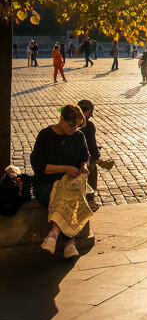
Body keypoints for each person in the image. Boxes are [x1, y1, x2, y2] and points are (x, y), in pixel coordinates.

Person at [31, 104, 91, 258]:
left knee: (71, 190)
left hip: (70, 181)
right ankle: (70, 243)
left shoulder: (79, 136)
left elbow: (85, 157)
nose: (74, 129)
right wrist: (64, 168)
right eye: (72, 125)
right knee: (65, 196)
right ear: (61, 119)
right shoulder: (45, 135)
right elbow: (39, 167)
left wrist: (83, 166)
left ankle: (53, 233)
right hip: (46, 182)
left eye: (78, 126)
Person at [78, 100, 101, 211]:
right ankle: (90, 200)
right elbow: (91, 145)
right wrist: (97, 157)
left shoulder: (71, 122)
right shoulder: (88, 125)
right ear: (88, 112)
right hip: (81, 160)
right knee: (92, 169)